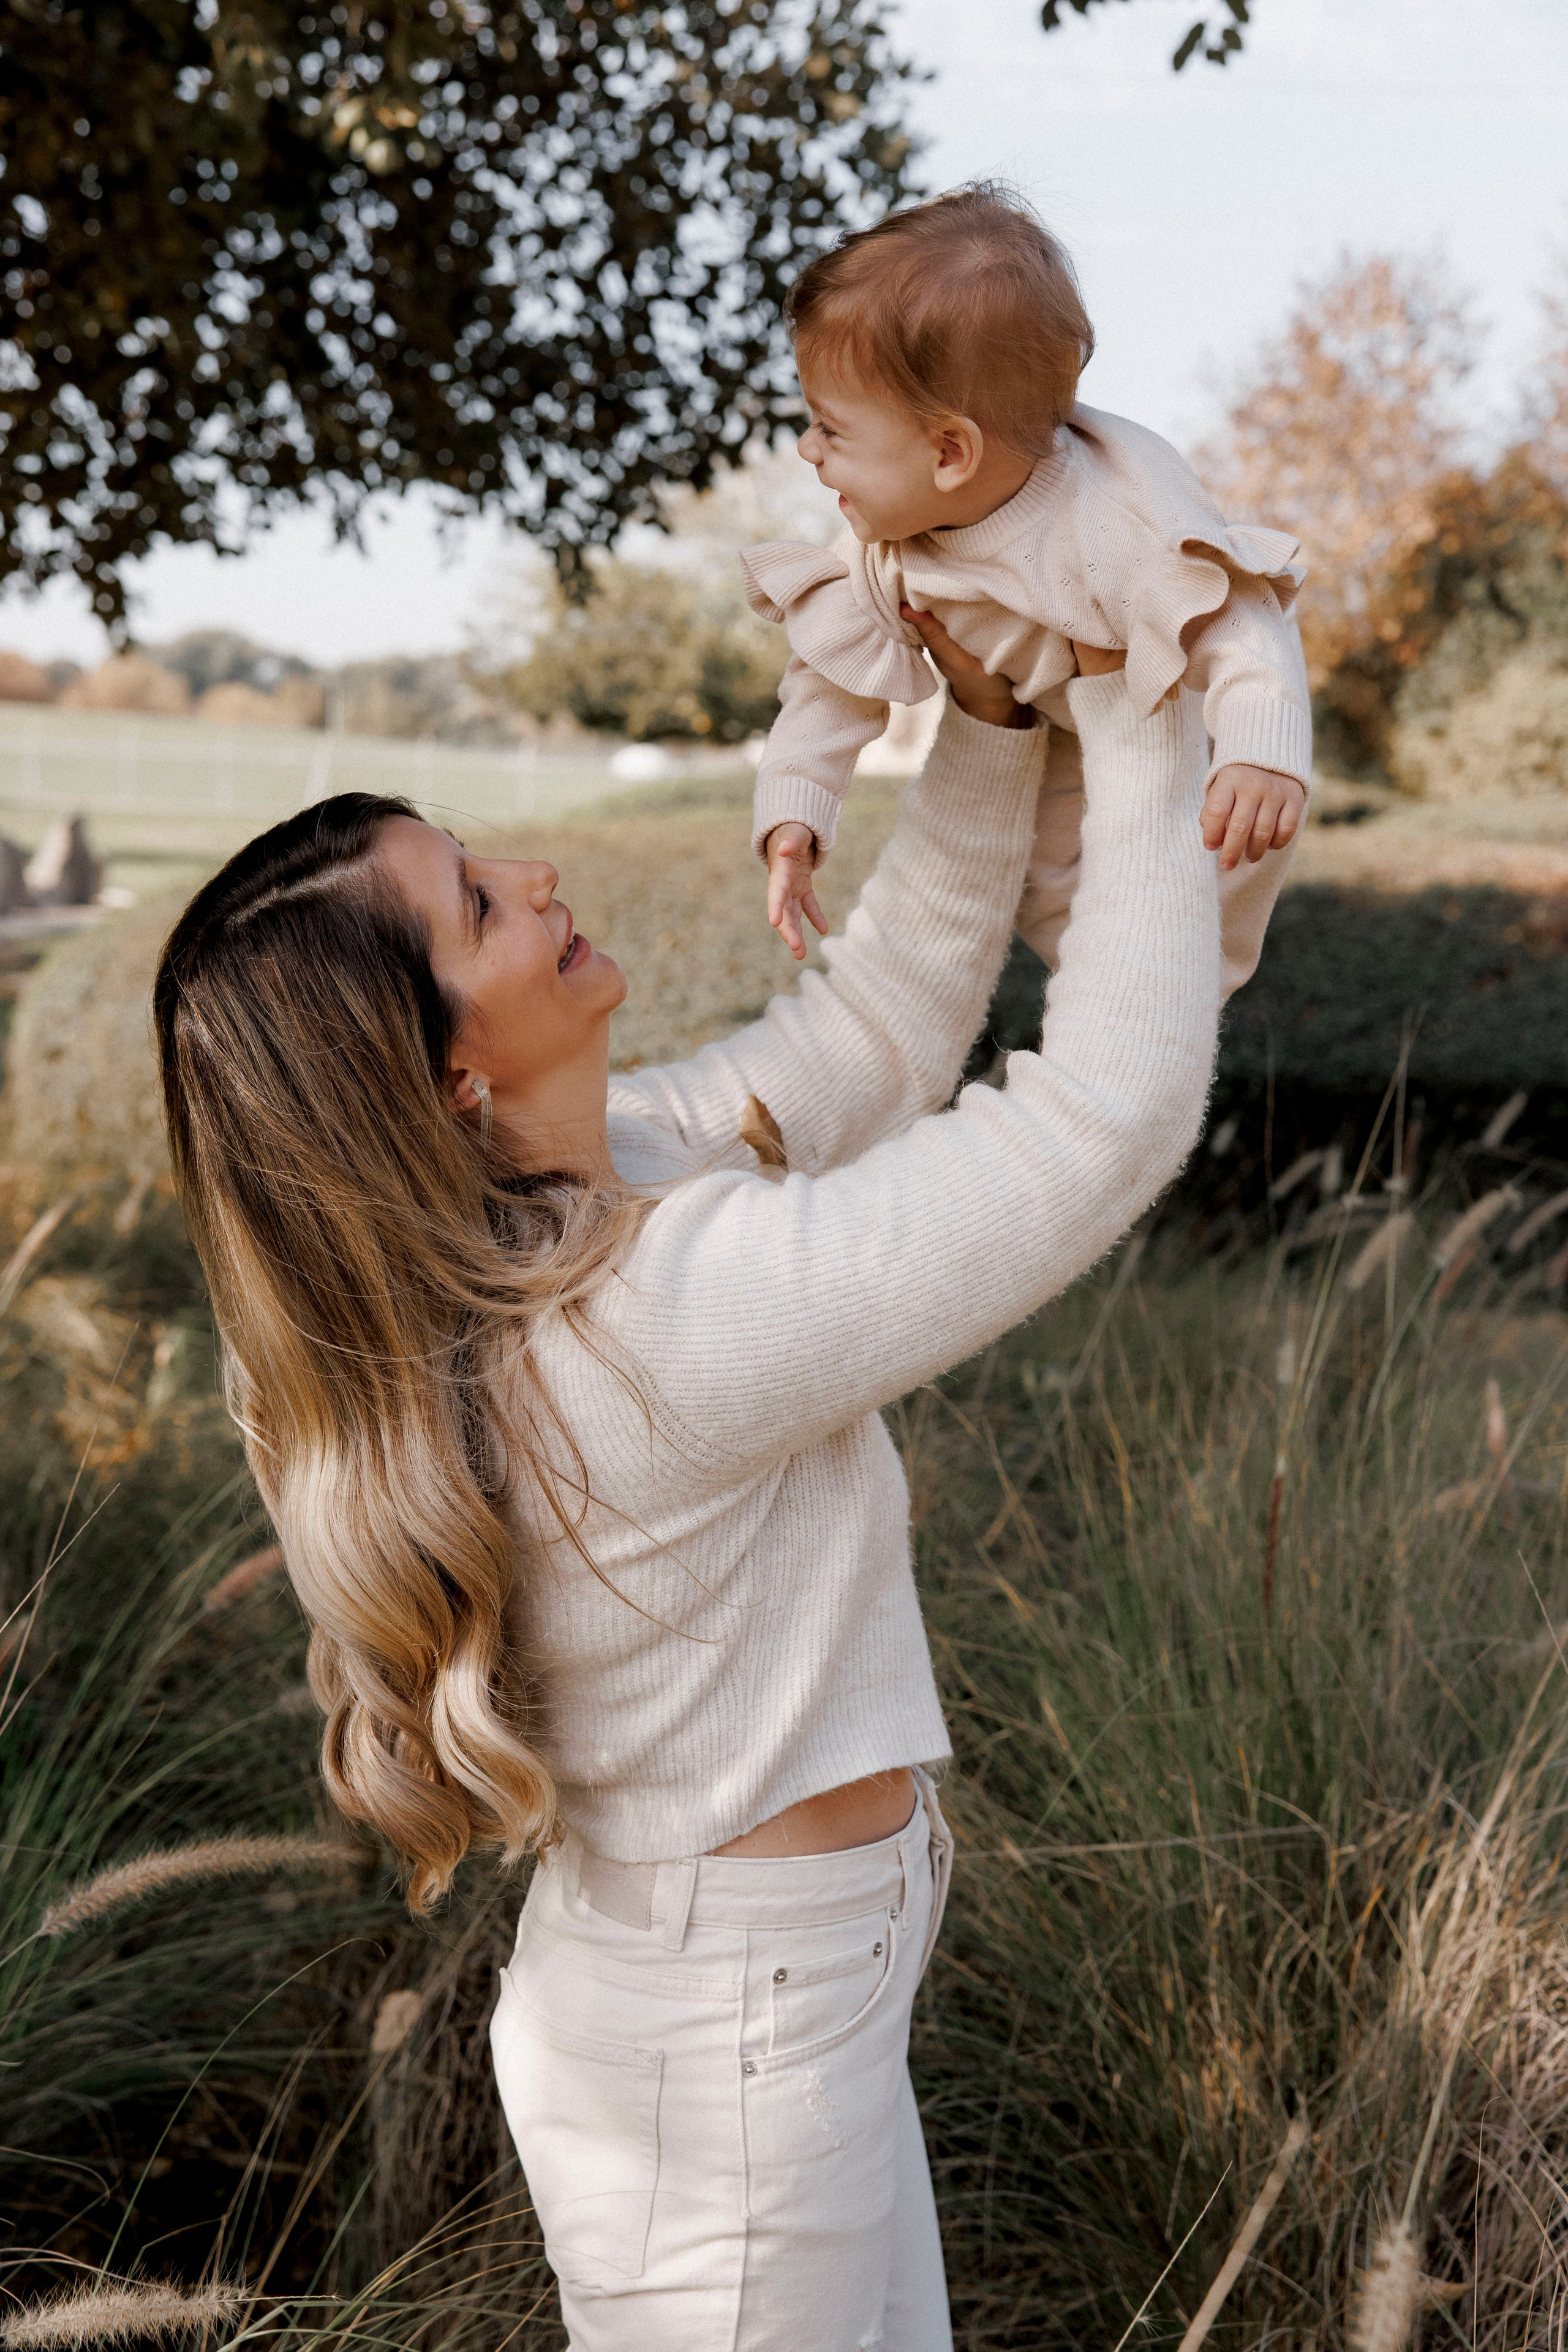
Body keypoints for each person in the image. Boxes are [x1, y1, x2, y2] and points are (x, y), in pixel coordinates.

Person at [153, 616, 1221, 2351]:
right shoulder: (645, 1326)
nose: (534, 868)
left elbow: (876, 1034)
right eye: (476, 904)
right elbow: (1104, 1121)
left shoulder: (580, 1198)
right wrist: (1166, 692)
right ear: (451, 1077)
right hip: (725, 2064)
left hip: (757, 2007)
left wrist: (995, 696)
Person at [746, 184, 1311, 998]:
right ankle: (1114, 1003)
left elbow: (1241, 620)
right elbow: (829, 682)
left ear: (949, 453)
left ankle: (1190, 982)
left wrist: (1263, 746)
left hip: (1191, 716)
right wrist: (796, 808)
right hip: (1061, 729)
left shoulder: (1121, 513)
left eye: (830, 428)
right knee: (1046, 894)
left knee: (1220, 856)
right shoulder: (881, 544)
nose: (806, 449)